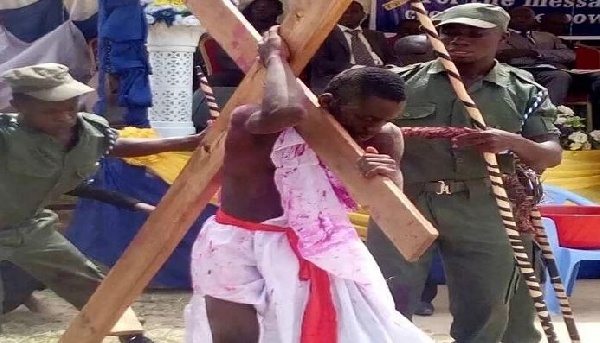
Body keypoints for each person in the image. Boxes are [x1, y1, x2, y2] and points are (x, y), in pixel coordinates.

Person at [185, 27, 432, 343]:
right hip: (237, 242)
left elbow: (388, 200)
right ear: (328, 102)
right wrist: (275, 58)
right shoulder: (253, 121)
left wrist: (389, 174)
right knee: (234, 338)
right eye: (365, 117)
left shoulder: (385, 137)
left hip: (324, 246)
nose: (374, 128)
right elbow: (284, 111)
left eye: (383, 119)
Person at [366, 4, 562, 343]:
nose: (461, 39)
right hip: (405, 199)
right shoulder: (398, 83)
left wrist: (510, 142)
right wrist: (376, 158)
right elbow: (358, 133)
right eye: (451, 32)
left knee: (486, 304)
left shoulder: (523, 89)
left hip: (485, 203)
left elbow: (550, 155)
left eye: (476, 33)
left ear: (502, 38)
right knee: (385, 296)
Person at [0, 63, 205, 342]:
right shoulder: (7, 137)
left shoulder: (90, 131)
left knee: (88, 282)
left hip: (30, 227)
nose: (64, 117)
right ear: (19, 105)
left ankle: (132, 336)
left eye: (70, 107)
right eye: (50, 111)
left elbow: (115, 146)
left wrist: (185, 143)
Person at [1, 185, 156, 315]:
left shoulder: (27, 178)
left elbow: (83, 189)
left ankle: (128, 330)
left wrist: (134, 204)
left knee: (54, 264)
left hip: (23, 238)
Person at [309, 1, 399, 91]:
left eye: (354, 12)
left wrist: (390, 68)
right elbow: (321, 63)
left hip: (384, 77)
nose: (348, 15)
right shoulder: (325, 35)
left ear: (364, 15)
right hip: (345, 79)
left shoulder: (375, 35)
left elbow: (393, 58)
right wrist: (361, 69)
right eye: (344, 12)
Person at [497, 6, 575, 105]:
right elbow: (504, 55)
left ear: (534, 20)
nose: (521, 20)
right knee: (559, 76)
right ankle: (546, 114)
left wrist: (534, 53)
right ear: (508, 19)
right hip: (519, 71)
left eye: (526, 17)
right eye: (517, 17)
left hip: (551, 70)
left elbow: (569, 55)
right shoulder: (502, 36)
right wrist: (552, 57)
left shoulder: (548, 36)